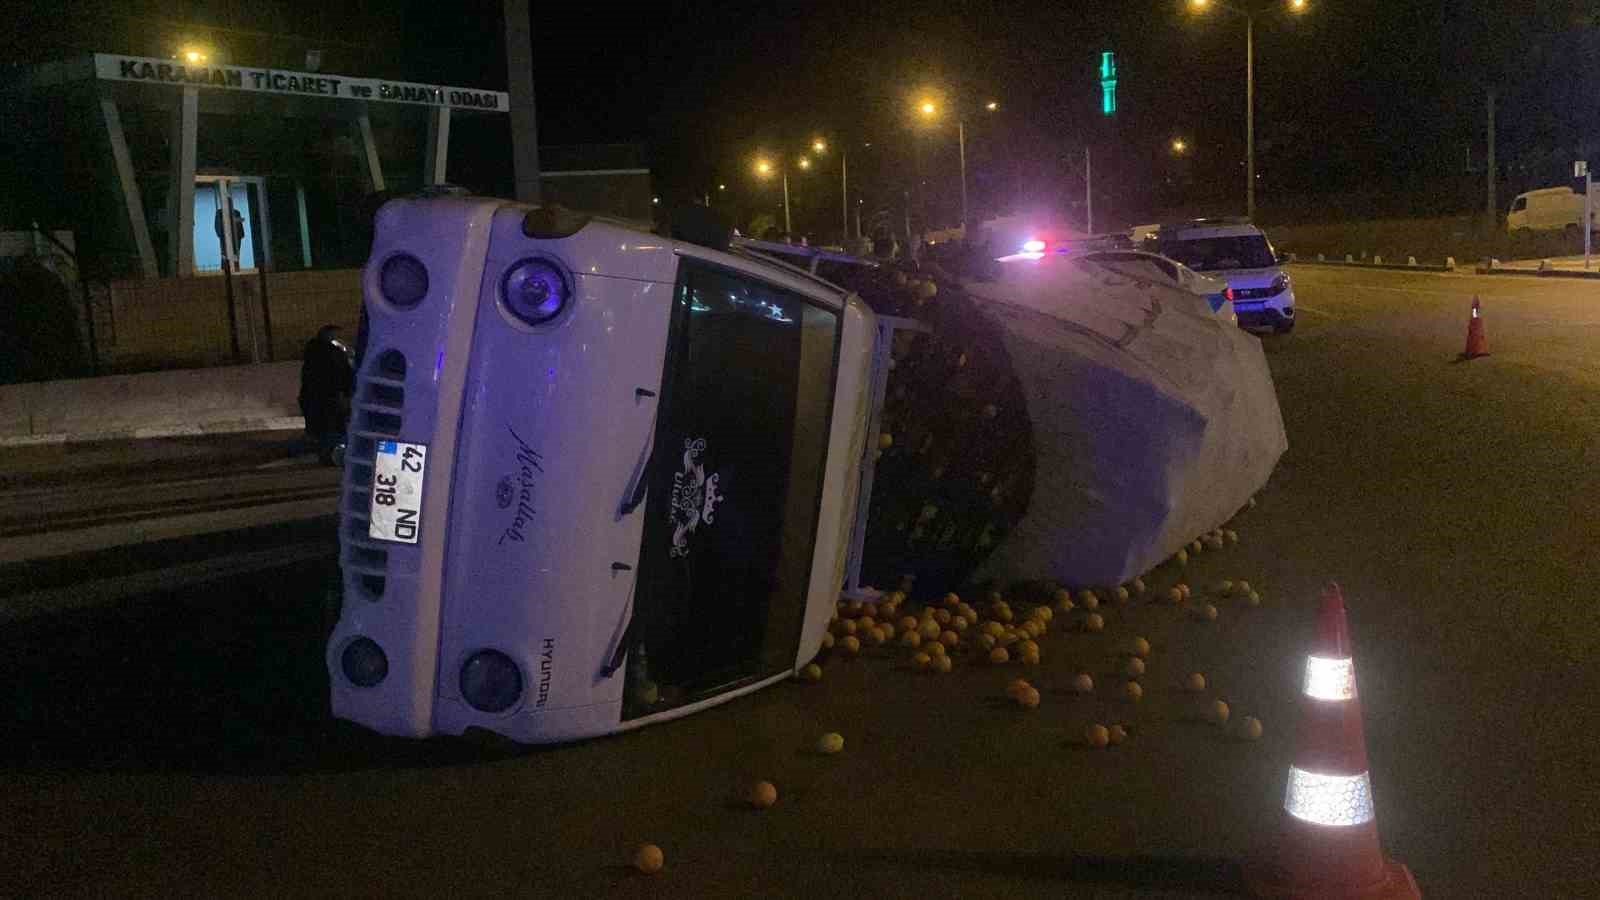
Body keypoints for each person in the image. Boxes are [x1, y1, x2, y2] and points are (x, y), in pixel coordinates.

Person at [299, 324, 354, 463]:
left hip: (314, 397)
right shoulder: (333, 354)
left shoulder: (312, 352)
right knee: (333, 427)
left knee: (322, 429)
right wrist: (344, 393)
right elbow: (341, 375)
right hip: (331, 397)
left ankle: (324, 454)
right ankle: (331, 456)